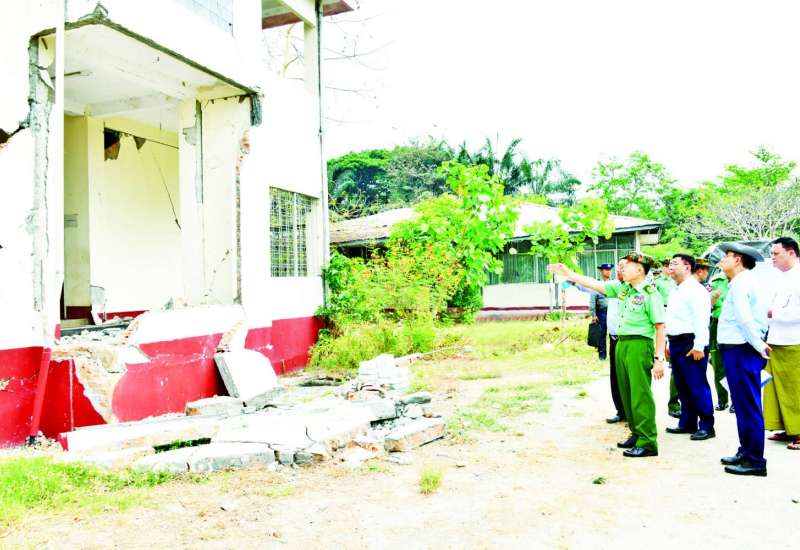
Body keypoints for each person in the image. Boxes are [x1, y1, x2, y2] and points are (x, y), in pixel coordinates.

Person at [549, 253, 666, 458]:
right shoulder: (624, 289)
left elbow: (660, 326)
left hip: (639, 344)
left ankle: (648, 441)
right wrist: (569, 274)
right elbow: (595, 284)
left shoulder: (650, 293)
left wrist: (659, 359)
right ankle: (636, 433)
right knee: (626, 393)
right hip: (622, 343)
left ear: (640, 270)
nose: (622, 269)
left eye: (627, 266)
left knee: (640, 394)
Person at [716, 243, 769, 477]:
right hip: (739, 349)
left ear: (737, 260)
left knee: (748, 406)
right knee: (743, 405)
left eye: (726, 256)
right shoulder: (741, 282)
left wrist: (758, 345)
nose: (722, 260)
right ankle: (746, 451)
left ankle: (755, 460)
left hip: (742, 349)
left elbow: (745, 319)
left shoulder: (742, 284)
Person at [664, 254, 715, 440]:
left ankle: (707, 425)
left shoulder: (696, 290)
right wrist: (668, 342)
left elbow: (702, 319)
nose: (670, 266)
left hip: (691, 342)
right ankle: (687, 422)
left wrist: (699, 346)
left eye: (674, 263)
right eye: (670, 263)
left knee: (697, 385)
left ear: (687, 267)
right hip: (676, 342)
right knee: (682, 385)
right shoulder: (675, 290)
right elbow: (672, 318)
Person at [763, 237, 800, 450]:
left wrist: (773, 312)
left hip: (794, 340)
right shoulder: (780, 277)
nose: (773, 258)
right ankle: (788, 427)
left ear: (791, 253)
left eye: (776, 253)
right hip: (776, 339)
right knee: (776, 388)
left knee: (794, 389)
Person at [654, 258, 682, 419]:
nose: (668, 268)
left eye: (670, 265)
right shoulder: (658, 282)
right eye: (666, 265)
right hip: (663, 312)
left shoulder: (679, 283)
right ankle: (674, 403)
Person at [605, 259, 627, 424]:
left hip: (629, 340)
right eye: (618, 266)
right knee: (615, 377)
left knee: (630, 378)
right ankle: (621, 410)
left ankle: (633, 412)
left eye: (623, 267)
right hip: (614, 339)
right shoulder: (613, 286)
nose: (619, 269)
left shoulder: (638, 289)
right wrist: (571, 280)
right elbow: (591, 287)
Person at [708, 264, 731, 411]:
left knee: (736, 365)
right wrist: (713, 298)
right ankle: (722, 399)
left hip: (736, 326)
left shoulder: (743, 280)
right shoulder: (716, 281)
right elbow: (706, 303)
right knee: (718, 365)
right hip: (717, 324)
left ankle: (737, 401)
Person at [590, 264, 614, 361]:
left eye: (609, 270)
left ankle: (613, 354)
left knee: (614, 334)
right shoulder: (597, 285)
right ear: (601, 271)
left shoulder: (614, 284)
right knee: (601, 334)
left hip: (613, 312)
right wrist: (593, 314)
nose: (608, 271)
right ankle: (602, 355)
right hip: (602, 313)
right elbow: (592, 301)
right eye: (606, 270)